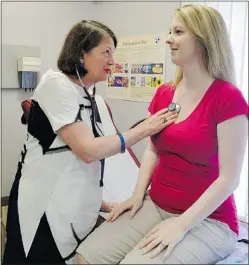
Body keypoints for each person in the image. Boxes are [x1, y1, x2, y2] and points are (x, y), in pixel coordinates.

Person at [76, 5, 248, 265]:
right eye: (170, 31)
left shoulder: (227, 99)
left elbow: (230, 178)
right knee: (86, 257)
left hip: (209, 220)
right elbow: (153, 149)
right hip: (156, 205)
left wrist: (180, 225)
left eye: (178, 32)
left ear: (204, 39)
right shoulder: (165, 93)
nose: (169, 38)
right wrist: (137, 195)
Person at [3, 20, 178, 265]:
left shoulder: (90, 95)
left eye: (113, 54)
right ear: (81, 54)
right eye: (106, 52)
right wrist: (145, 129)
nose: (112, 61)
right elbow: (87, 151)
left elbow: (78, 166)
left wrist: (102, 203)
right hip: (41, 209)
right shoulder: (56, 85)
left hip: (73, 211)